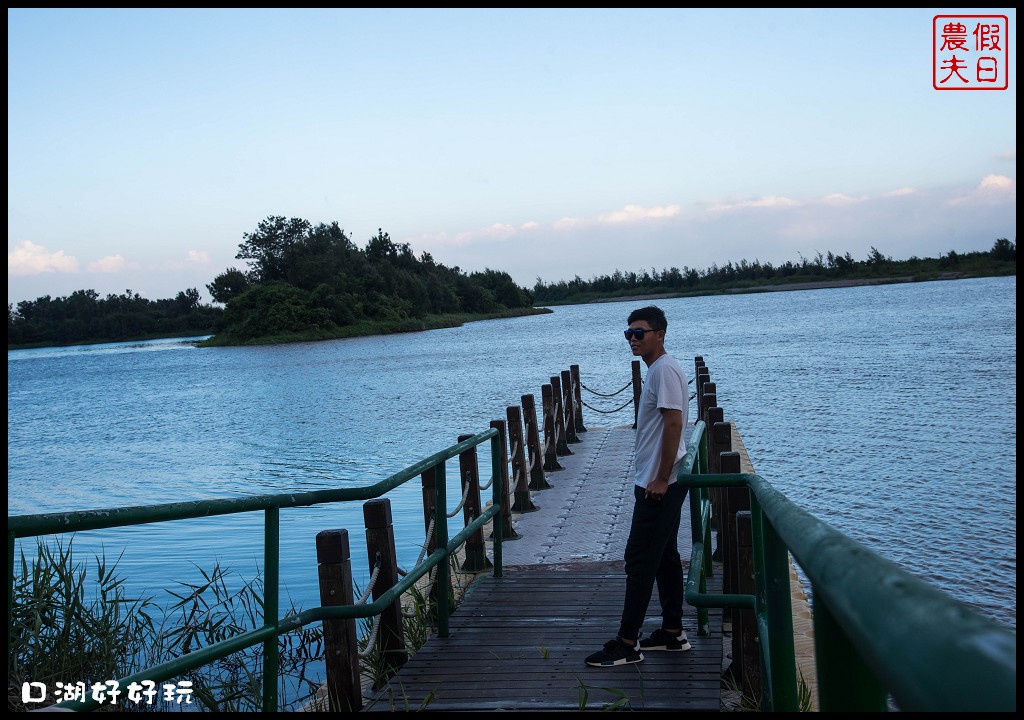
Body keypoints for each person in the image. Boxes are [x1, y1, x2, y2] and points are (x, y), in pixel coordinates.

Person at [585, 305, 691, 667]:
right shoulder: (661, 370)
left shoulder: (663, 370)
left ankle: (628, 644)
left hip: (659, 483)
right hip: (660, 480)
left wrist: (660, 478)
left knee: (639, 559)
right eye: (628, 333)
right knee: (663, 557)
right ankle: (672, 633)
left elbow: (674, 425)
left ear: (659, 334)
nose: (632, 339)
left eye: (639, 332)